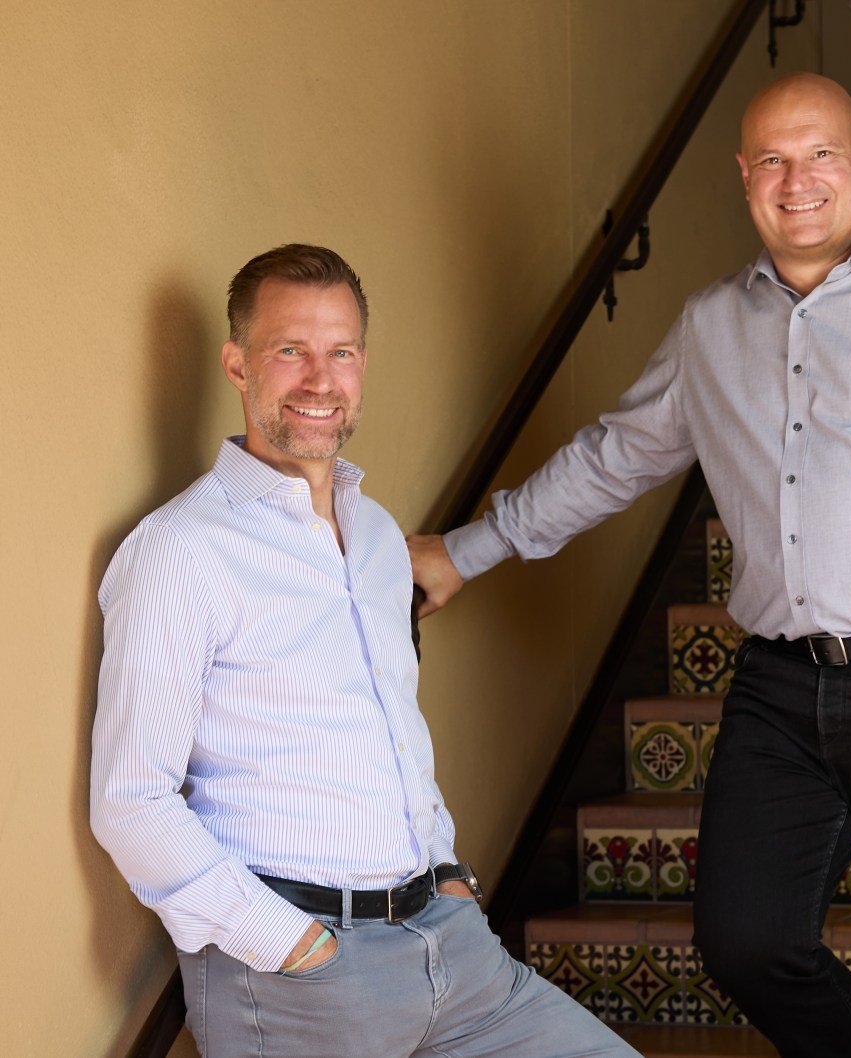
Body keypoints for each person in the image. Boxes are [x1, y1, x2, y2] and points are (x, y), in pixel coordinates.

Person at [407, 75, 851, 1057]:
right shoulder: (711, 324)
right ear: (743, 176)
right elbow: (616, 457)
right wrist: (464, 549)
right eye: (772, 159)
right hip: (782, 688)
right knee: (745, 941)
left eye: (820, 153)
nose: (796, 179)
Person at [91, 245, 639, 1058]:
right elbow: (132, 800)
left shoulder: (378, 535)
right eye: (291, 350)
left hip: (451, 947)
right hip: (302, 976)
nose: (321, 379)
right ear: (237, 364)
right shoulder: (181, 549)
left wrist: (447, 872)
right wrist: (290, 944)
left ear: (363, 364)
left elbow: (391, 727)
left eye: (340, 352)